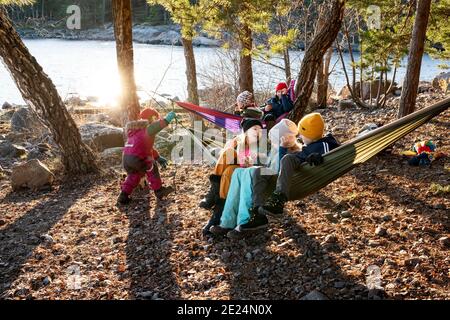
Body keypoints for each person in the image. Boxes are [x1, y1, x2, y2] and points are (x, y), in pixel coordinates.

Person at [209, 119, 301, 239]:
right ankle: (227, 221)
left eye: (273, 138)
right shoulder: (274, 149)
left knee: (249, 172)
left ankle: (244, 221)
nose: (270, 141)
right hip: (265, 176)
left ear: (283, 139)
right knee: (238, 172)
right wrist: (252, 163)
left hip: (274, 180)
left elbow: (279, 168)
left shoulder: (291, 151)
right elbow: (267, 166)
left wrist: (282, 149)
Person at [259, 112, 340, 216]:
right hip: (302, 162)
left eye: (303, 134)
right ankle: (277, 198)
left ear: (311, 135)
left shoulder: (324, 144)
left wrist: (318, 155)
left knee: (287, 158)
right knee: (286, 159)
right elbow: (302, 155)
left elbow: (332, 152)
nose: (300, 137)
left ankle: (279, 198)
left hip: (311, 171)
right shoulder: (310, 146)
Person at [201, 118, 264, 236]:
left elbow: (264, 165)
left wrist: (252, 163)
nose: (258, 132)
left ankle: (213, 197)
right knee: (229, 169)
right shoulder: (237, 142)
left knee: (229, 157)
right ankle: (218, 212)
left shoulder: (262, 145)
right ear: (245, 132)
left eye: (260, 130)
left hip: (250, 174)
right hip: (236, 171)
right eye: (254, 129)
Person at [117, 108, 177, 205]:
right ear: (151, 119)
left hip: (127, 158)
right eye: (154, 118)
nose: (155, 121)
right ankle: (159, 191)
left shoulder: (134, 132)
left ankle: (123, 196)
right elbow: (158, 126)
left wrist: (158, 157)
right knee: (152, 168)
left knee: (134, 176)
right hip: (136, 158)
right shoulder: (147, 129)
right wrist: (168, 118)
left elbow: (146, 148)